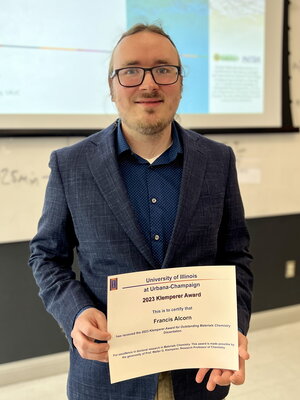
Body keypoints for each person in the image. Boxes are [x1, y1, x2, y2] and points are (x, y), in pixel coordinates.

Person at [29, 23, 253, 400]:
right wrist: (76, 314)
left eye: (164, 70)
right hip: (106, 379)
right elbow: (46, 257)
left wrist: (234, 326)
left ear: (181, 84)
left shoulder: (218, 160)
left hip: (199, 377)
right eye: (131, 71)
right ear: (112, 85)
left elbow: (236, 256)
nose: (148, 84)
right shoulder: (72, 165)